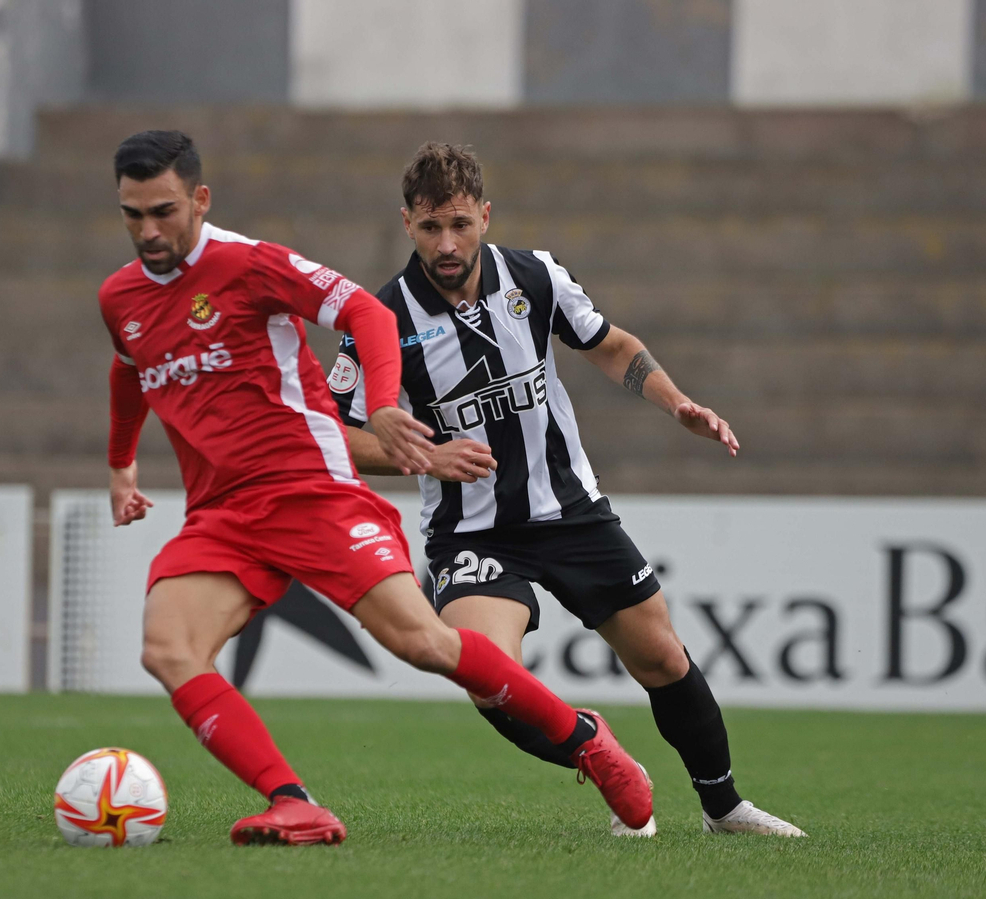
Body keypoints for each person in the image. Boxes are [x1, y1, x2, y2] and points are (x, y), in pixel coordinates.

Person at [99, 130, 654, 846]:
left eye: (164, 211)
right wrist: (121, 466)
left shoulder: (250, 265)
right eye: (133, 215)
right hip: (223, 515)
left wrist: (385, 403)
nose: (149, 230)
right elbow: (127, 369)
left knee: (425, 642)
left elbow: (364, 309)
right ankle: (293, 801)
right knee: (168, 647)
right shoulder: (121, 298)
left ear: (200, 200)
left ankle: (584, 737)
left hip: (310, 491)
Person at [332, 142, 805, 838]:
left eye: (460, 223)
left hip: (572, 511)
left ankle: (724, 807)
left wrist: (676, 404)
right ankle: (606, 756)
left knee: (662, 655)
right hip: (473, 530)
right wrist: (423, 454)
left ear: (485, 216)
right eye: (431, 227)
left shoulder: (535, 275)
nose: (447, 242)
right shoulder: (380, 317)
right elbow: (334, 435)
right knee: (488, 676)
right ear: (407, 224)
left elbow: (610, 344)